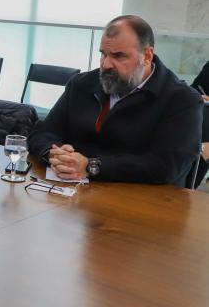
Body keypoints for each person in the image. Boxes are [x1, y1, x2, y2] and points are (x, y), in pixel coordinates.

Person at [28, 15, 202, 186]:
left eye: (118, 56)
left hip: (143, 198)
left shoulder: (182, 100)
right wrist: (54, 153)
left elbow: (166, 166)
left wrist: (92, 166)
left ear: (147, 56)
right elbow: (42, 132)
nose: (106, 65)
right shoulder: (82, 84)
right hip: (75, 190)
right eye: (103, 54)